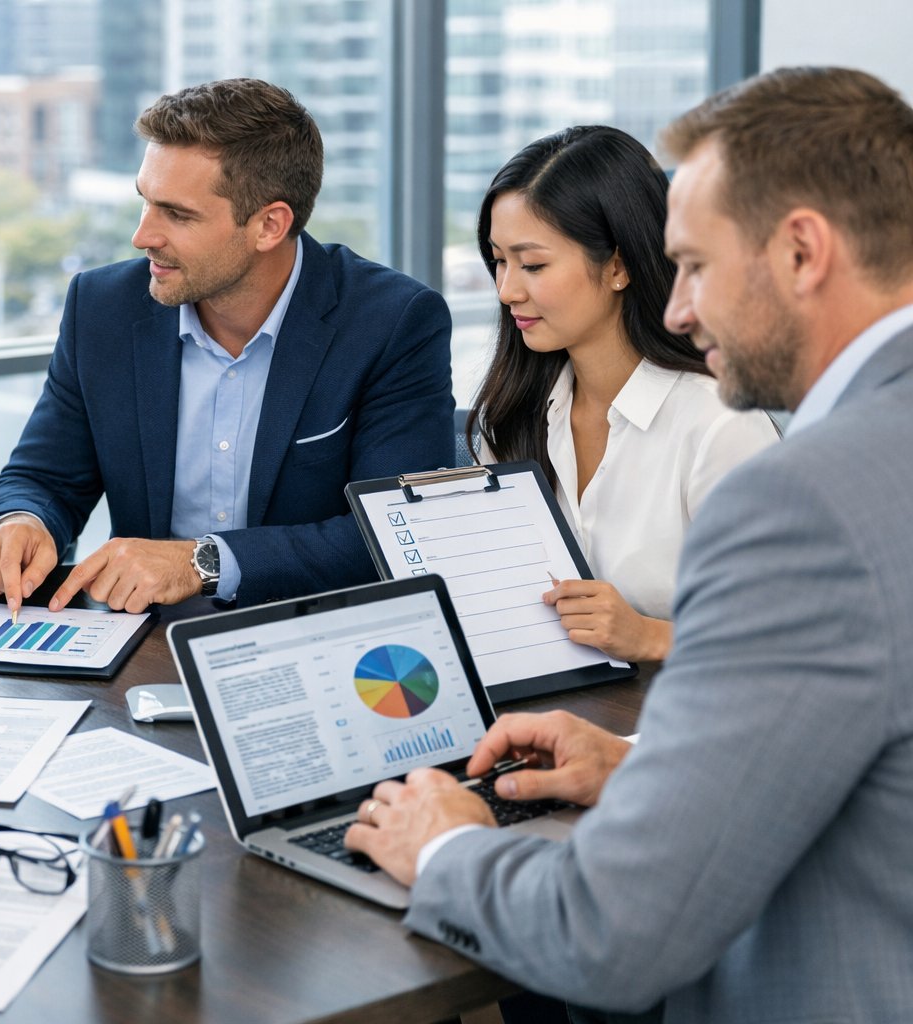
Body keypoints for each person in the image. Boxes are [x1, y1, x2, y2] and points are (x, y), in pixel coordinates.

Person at [344, 67, 913, 1020]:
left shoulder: (801, 497)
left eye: (695, 265)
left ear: (803, 251)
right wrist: (632, 762)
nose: (679, 307)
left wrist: (441, 844)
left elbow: (612, 931)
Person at [0, 78, 453, 614]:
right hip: (145, 637)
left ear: (269, 225)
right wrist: (20, 521)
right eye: (145, 202)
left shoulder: (392, 322)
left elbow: (397, 531)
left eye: (177, 214)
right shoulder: (103, 308)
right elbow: (44, 477)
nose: (142, 236)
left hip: (314, 634)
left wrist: (204, 563)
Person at [469, 125, 777, 663]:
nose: (506, 290)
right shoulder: (513, 415)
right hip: (557, 705)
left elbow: (790, 633)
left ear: (617, 265)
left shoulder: (719, 426)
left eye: (533, 264)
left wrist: (649, 636)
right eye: (499, 261)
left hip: (690, 707)